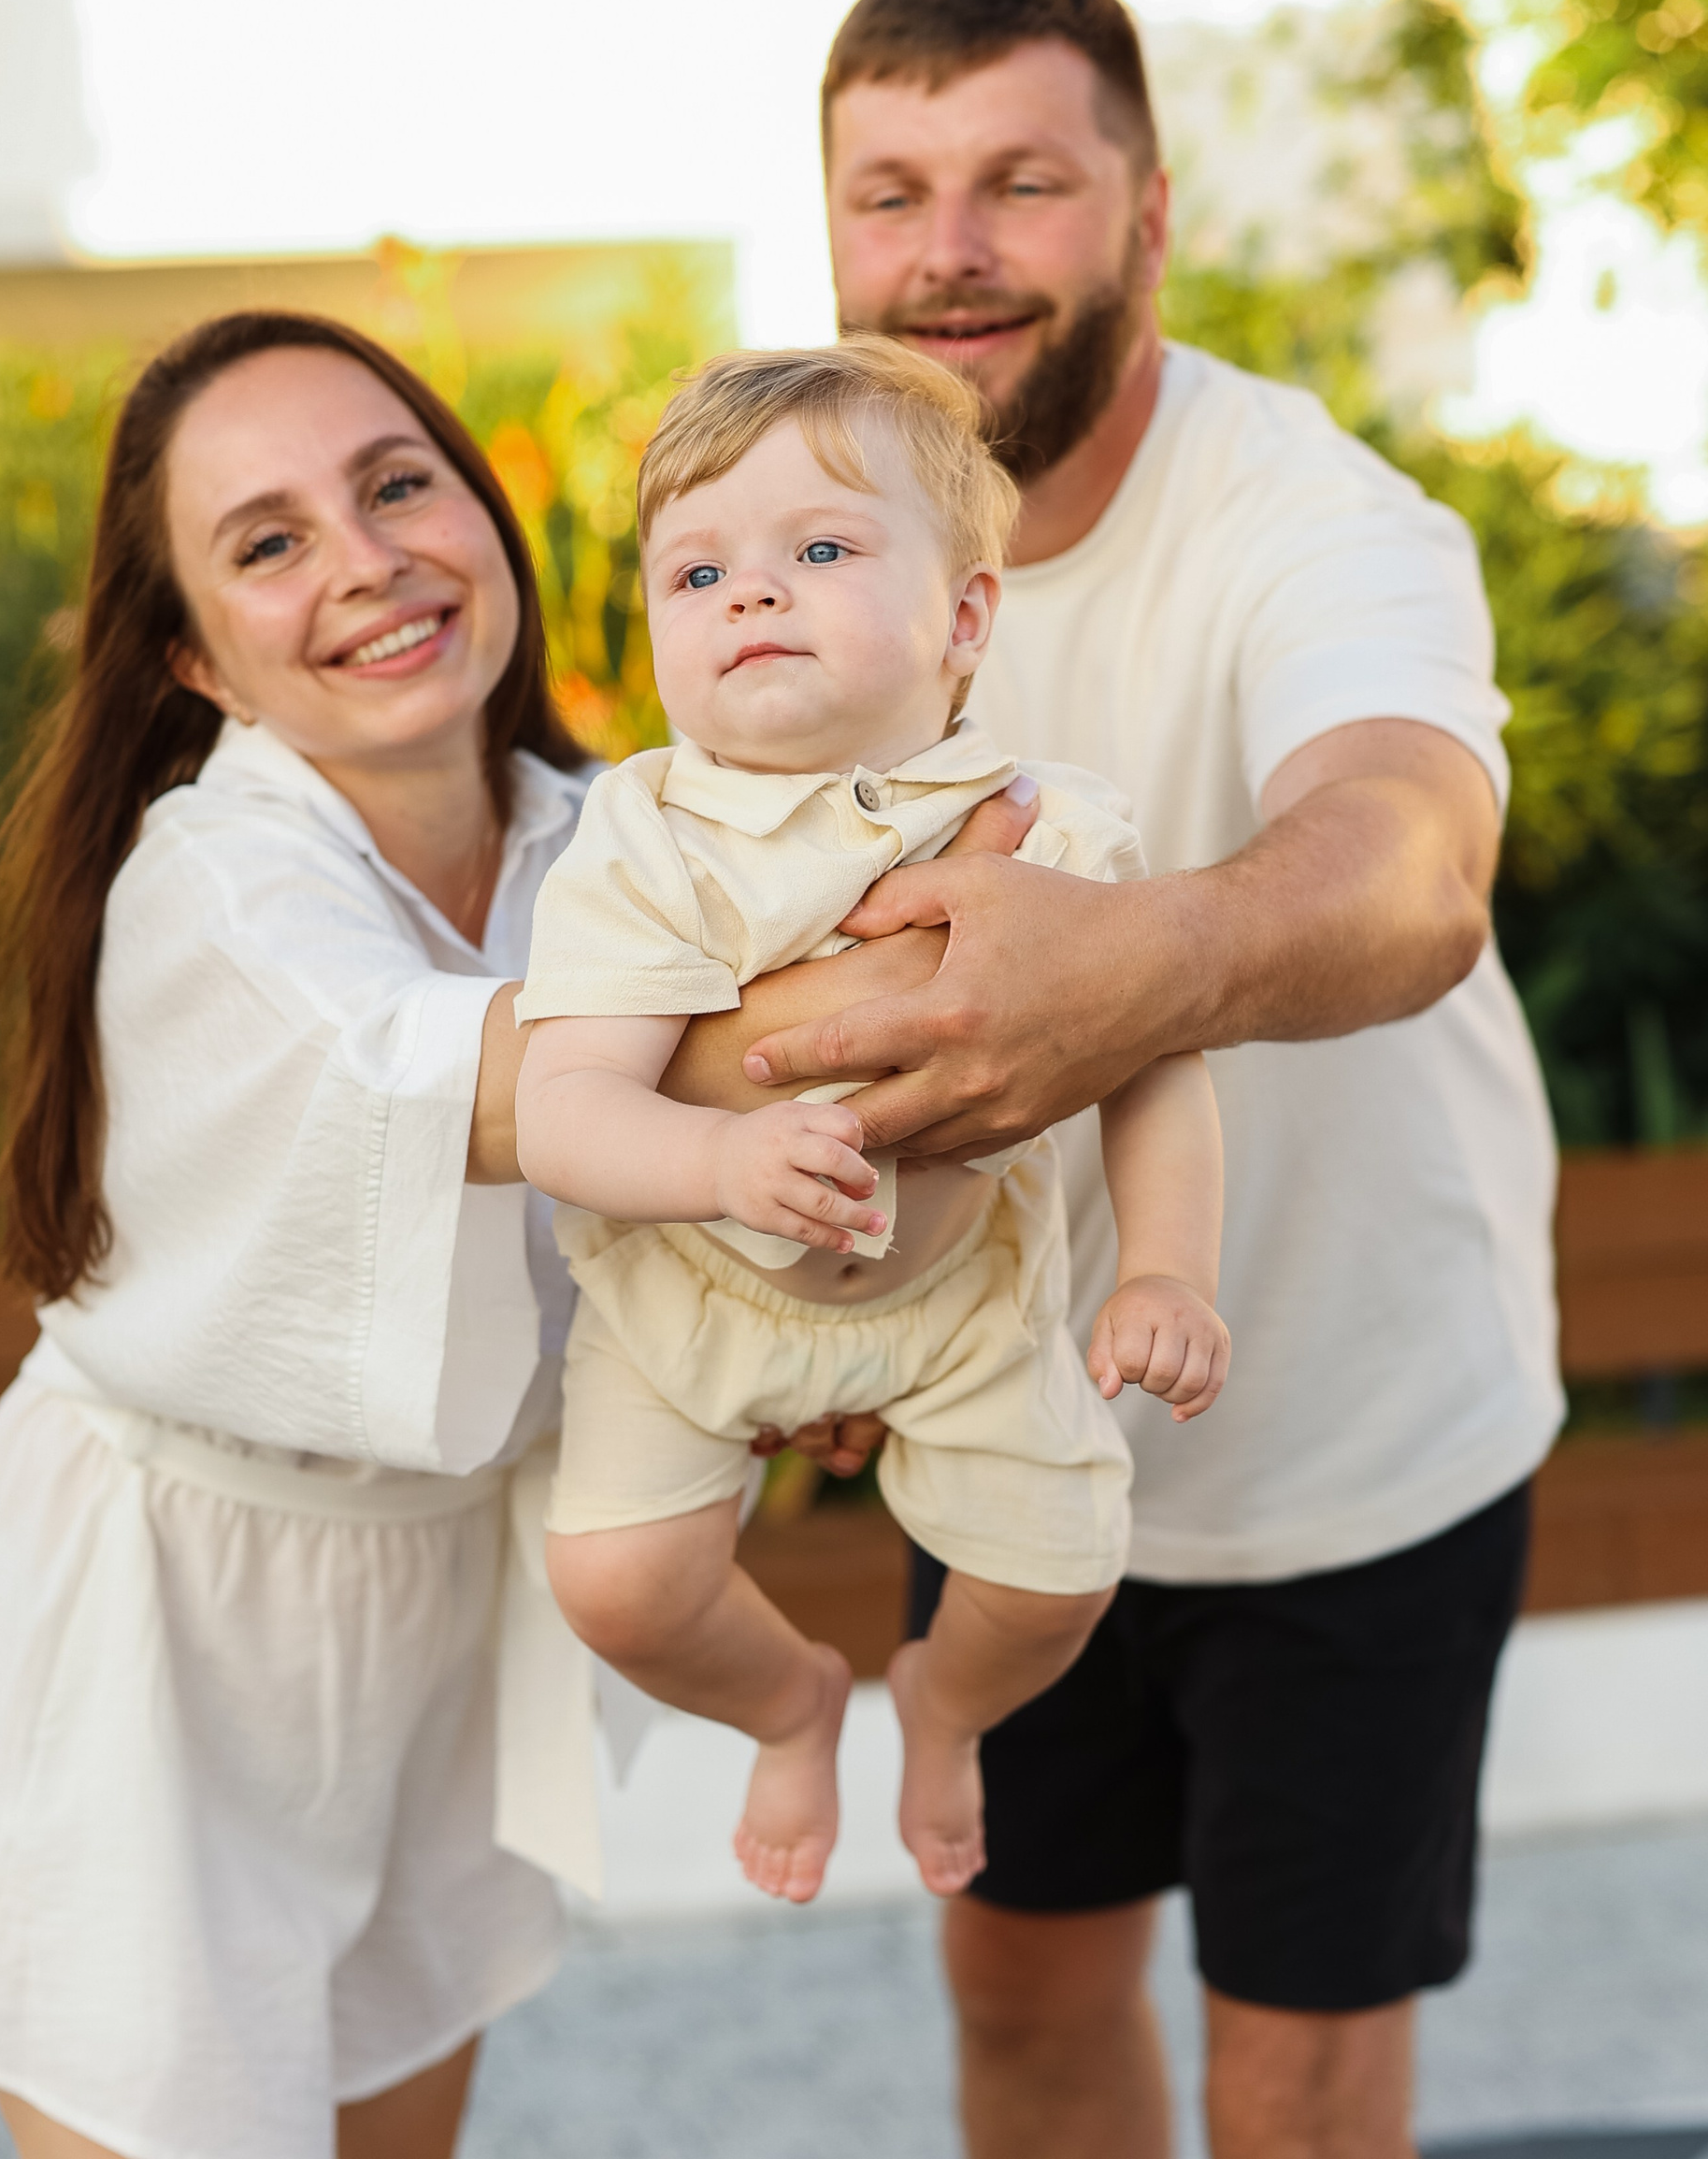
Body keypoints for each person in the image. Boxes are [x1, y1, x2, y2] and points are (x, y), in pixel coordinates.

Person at [0, 309, 1028, 2159]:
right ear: (192, 653)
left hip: (445, 1607)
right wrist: (996, 954)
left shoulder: (620, 839)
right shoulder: (214, 884)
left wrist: (826, 1346)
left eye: (396, 485)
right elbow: (491, 1084)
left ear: (484, 517)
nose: (365, 561)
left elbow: (707, 1210)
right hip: (165, 1631)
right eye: (269, 541)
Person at [725, 0, 1564, 2159]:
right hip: (1017, 1443)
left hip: (1354, 1451)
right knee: (1016, 2006)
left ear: (1150, 214)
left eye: (1023, 182)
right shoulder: (814, 554)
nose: (951, 250)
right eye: (892, 192)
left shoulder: (1317, 519)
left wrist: (1136, 966)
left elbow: (1411, 865)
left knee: (1296, 2092)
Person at [513, 339, 1228, 1907]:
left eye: (822, 549)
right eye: (699, 572)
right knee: (618, 1583)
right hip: (694, 1291)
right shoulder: (649, 836)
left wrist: (1167, 1266)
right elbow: (561, 1106)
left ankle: (944, 1705)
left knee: (1055, 1579)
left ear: (964, 617)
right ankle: (789, 1703)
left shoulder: (1052, 829)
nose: (753, 595)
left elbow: (1157, 1059)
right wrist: (718, 1158)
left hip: (959, 1297)